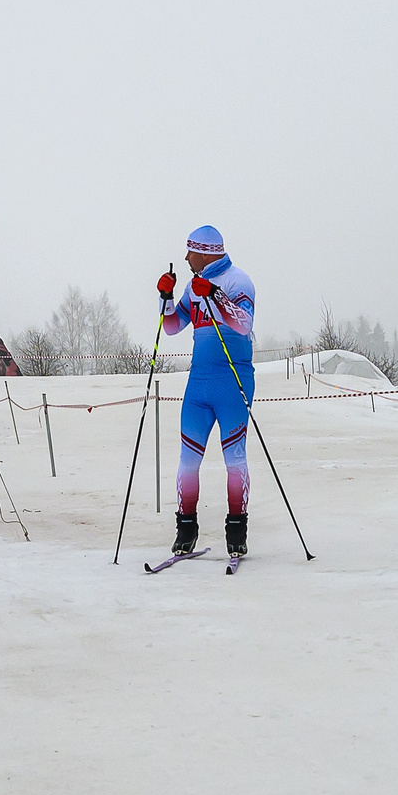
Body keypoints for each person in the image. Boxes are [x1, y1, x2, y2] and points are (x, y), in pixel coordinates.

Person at [157, 224, 259, 560]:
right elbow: (172, 328)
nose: (186, 257)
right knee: (188, 460)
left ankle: (236, 530)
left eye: (190, 251)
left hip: (232, 380)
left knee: (234, 459)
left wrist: (214, 294)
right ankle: (186, 529)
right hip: (198, 383)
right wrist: (167, 298)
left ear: (205, 252)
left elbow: (244, 324)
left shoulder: (238, 280)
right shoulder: (191, 285)